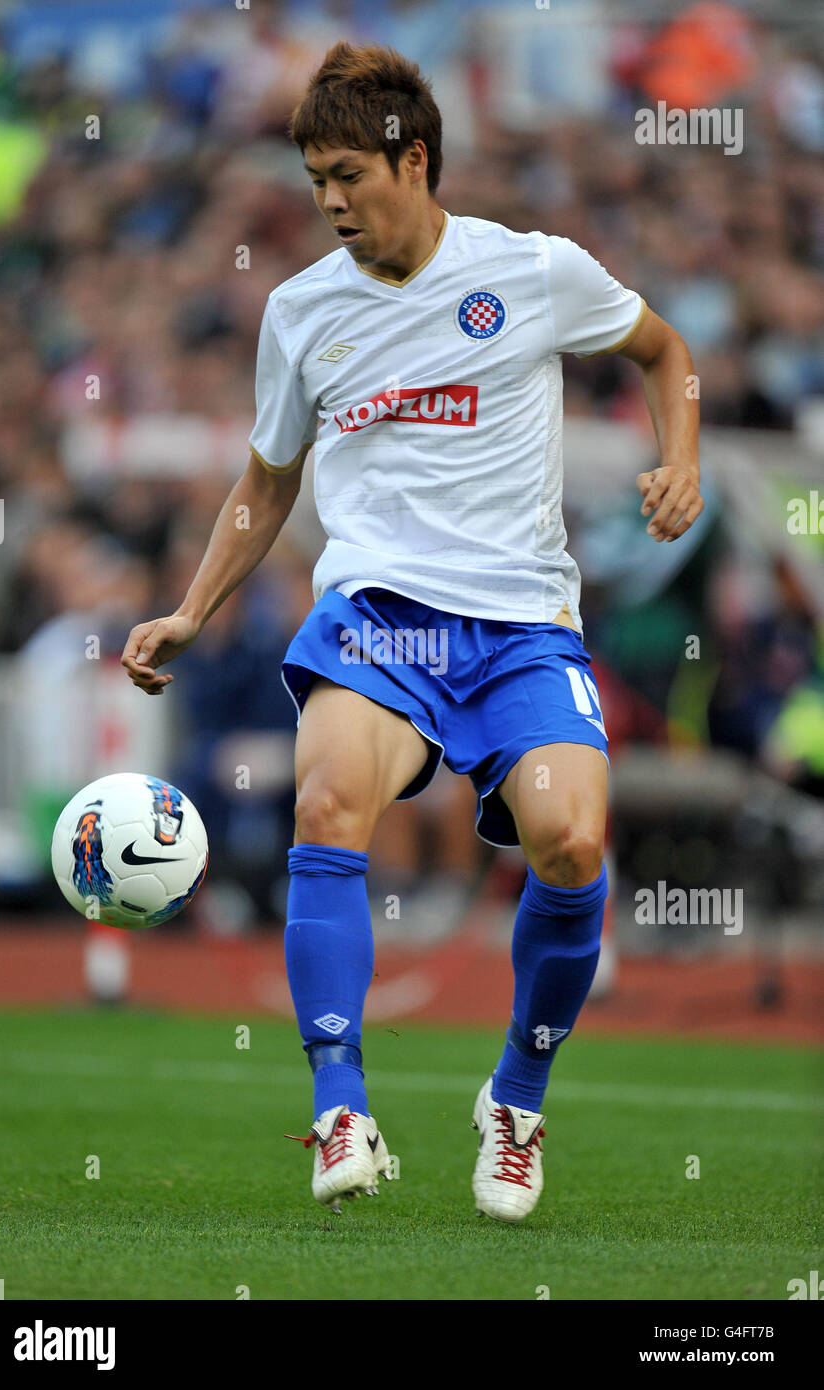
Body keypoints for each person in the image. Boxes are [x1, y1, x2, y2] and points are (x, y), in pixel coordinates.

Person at [121, 41, 704, 1223]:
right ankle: (341, 1108)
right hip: (378, 618)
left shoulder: (531, 272)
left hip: (519, 625)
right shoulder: (298, 314)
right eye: (311, 179)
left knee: (571, 845)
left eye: (346, 172)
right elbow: (264, 483)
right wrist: (192, 607)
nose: (329, 199)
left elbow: (660, 350)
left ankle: (515, 1100)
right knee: (326, 799)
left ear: (413, 158)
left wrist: (678, 459)